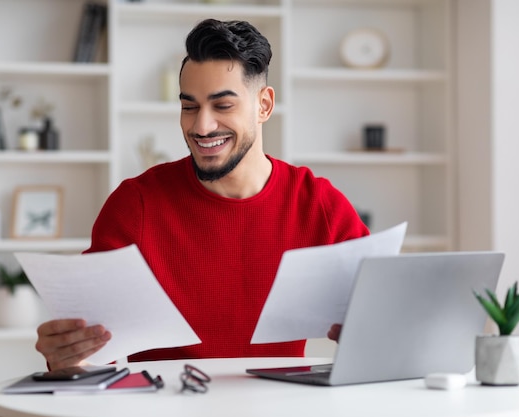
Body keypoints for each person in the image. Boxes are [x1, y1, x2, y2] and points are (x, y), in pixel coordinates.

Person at [35, 18, 369, 370]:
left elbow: (381, 311)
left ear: (264, 106)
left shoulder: (318, 202)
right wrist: (68, 356)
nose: (201, 126)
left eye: (222, 106)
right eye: (189, 106)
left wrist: (369, 330)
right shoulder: (137, 204)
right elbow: (90, 352)